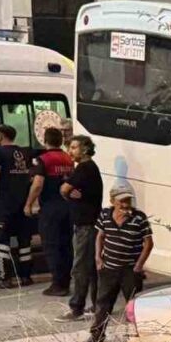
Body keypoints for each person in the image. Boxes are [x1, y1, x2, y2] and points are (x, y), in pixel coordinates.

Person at [84, 180, 152, 342]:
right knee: (103, 303)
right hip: (109, 268)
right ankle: (97, 335)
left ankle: (138, 335)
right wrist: (98, 258)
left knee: (133, 304)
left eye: (127, 200)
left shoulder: (139, 218)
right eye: (121, 200)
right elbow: (100, 236)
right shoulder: (105, 215)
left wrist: (138, 265)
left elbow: (148, 243)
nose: (125, 204)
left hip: (130, 269)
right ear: (112, 200)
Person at [0, 125, 35, 289]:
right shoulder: (24, 152)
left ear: (1, 135)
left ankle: (4, 278)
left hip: (6, 204)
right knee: (24, 240)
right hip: (23, 202)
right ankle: (25, 276)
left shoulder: (0, 152)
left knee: (2, 239)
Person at [56, 135, 104, 321]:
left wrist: (68, 194)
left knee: (81, 267)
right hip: (89, 223)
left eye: (74, 147)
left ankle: (76, 307)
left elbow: (64, 189)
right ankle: (97, 305)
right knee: (91, 267)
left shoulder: (84, 168)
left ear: (85, 149)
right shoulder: (89, 168)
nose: (70, 151)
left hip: (86, 225)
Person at [26, 126, 75, 297]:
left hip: (50, 208)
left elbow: (38, 184)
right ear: (61, 141)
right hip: (68, 207)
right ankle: (66, 282)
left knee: (51, 246)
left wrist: (28, 204)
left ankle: (57, 284)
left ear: (44, 140)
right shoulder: (68, 159)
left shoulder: (42, 160)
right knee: (66, 245)